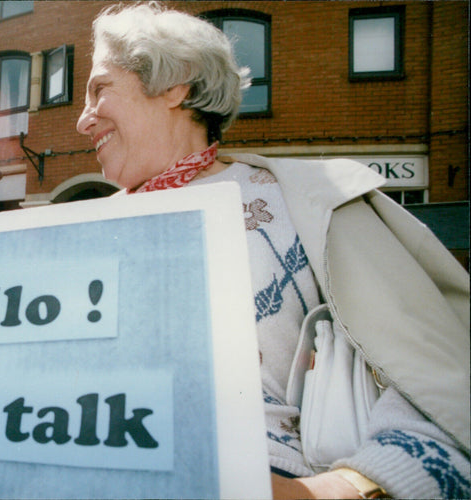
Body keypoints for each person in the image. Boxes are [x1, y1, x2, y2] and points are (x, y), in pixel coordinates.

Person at [76, 3, 470, 498]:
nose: (82, 122)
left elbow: (440, 392)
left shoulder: (308, 204)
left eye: (100, 90)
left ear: (175, 85)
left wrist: (340, 489)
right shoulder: (82, 232)